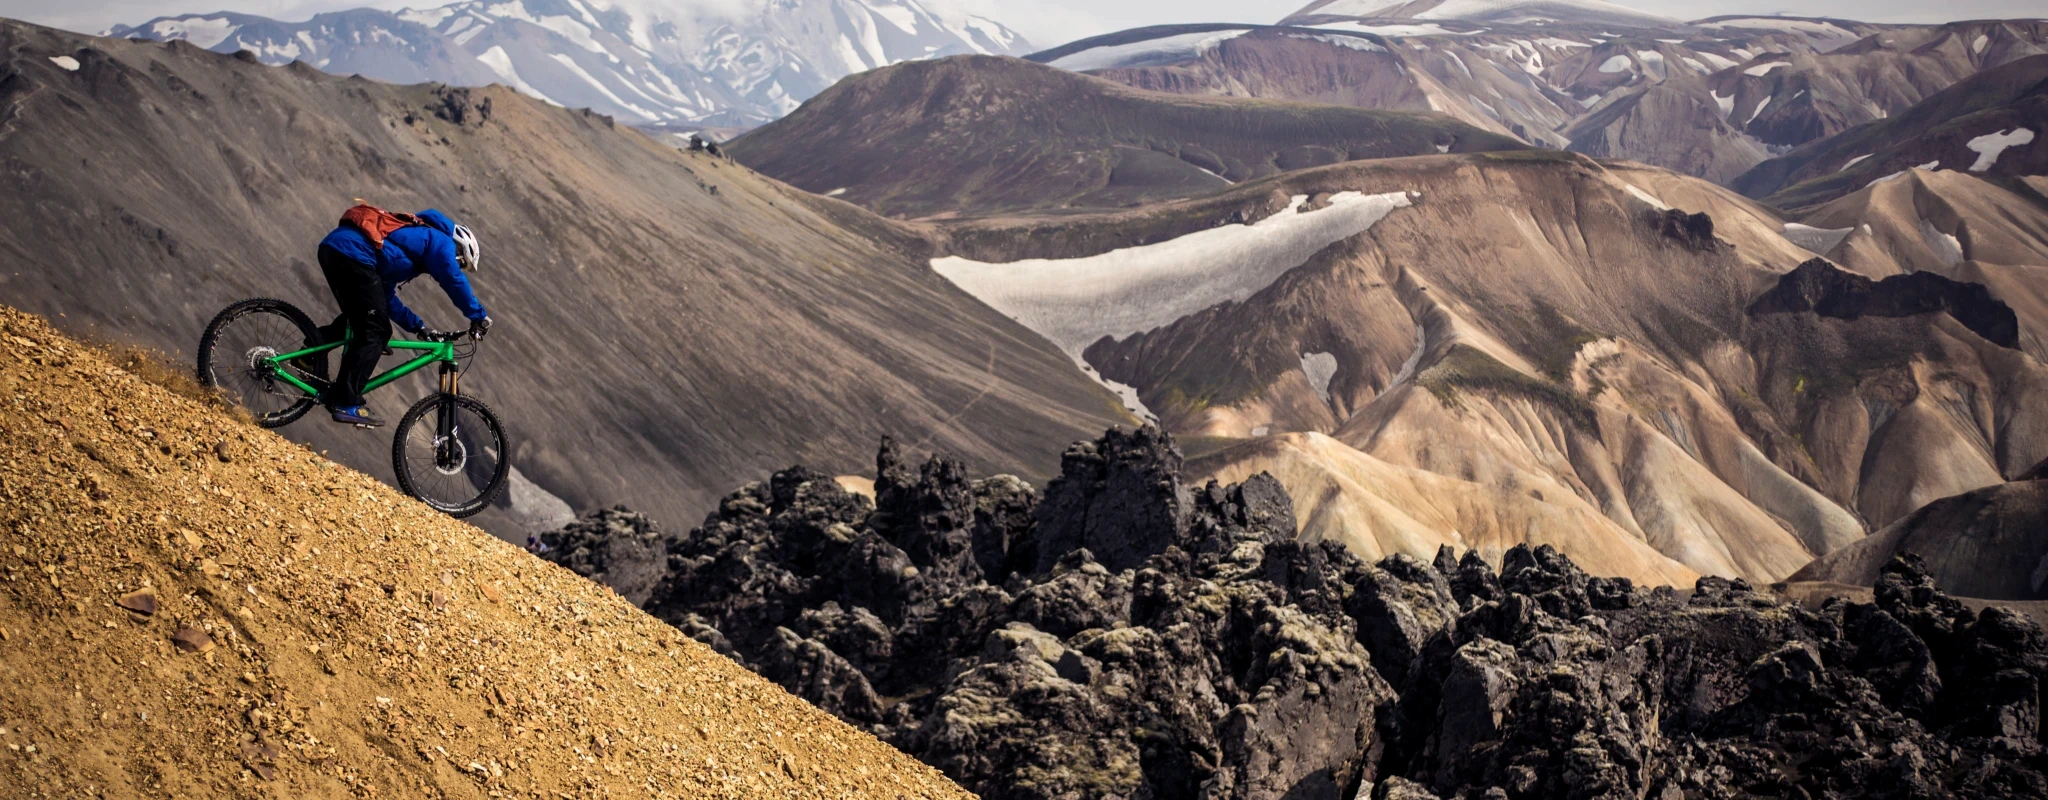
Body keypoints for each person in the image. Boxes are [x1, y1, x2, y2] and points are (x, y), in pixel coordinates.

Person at [315, 208, 492, 427]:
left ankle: (312, 350)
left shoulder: (410, 245)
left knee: (365, 316)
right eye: (461, 262)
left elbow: (384, 296)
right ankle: (345, 400)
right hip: (352, 254)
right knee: (377, 330)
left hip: (336, 250)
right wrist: (478, 315)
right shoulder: (440, 241)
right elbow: (452, 278)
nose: (458, 266)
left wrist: (417, 326)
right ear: (459, 250)